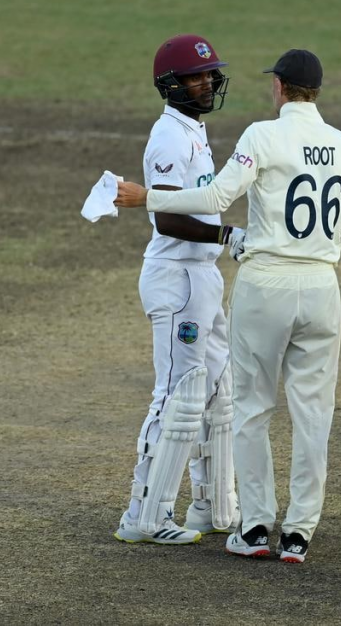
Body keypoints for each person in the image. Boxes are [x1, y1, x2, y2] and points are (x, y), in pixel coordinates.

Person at [115, 49, 341, 562]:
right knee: (313, 414)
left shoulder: (260, 136)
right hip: (322, 286)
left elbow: (218, 196)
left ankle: (253, 528)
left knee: (250, 407)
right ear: (317, 89)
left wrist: (148, 199)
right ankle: (298, 533)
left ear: (279, 88)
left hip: (266, 283)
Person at [113, 34, 240, 545]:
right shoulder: (168, 137)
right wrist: (229, 236)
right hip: (178, 277)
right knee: (179, 395)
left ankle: (213, 506)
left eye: (209, 74)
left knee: (219, 390)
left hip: (202, 275)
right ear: (170, 84)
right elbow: (167, 218)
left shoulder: (194, 130)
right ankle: (143, 515)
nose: (206, 82)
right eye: (195, 76)